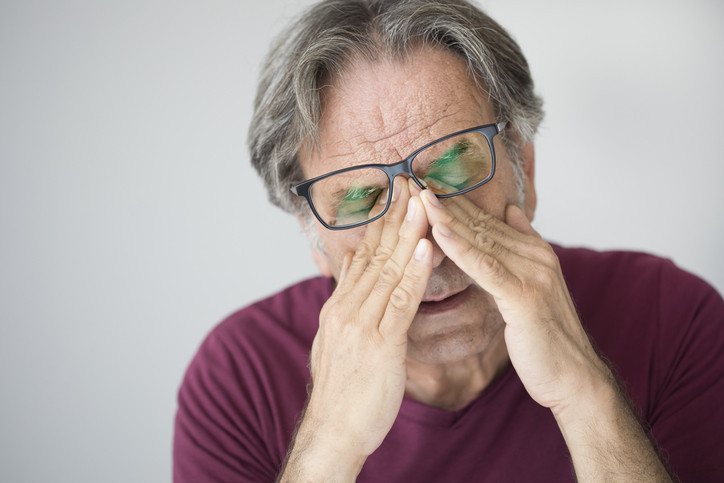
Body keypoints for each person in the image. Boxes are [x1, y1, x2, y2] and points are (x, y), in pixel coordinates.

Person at [173, 0, 724, 481]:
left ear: (525, 170)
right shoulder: (237, 378)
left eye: (455, 169)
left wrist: (585, 393)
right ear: (311, 231)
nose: (427, 244)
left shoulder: (672, 317)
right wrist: (330, 442)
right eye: (363, 200)